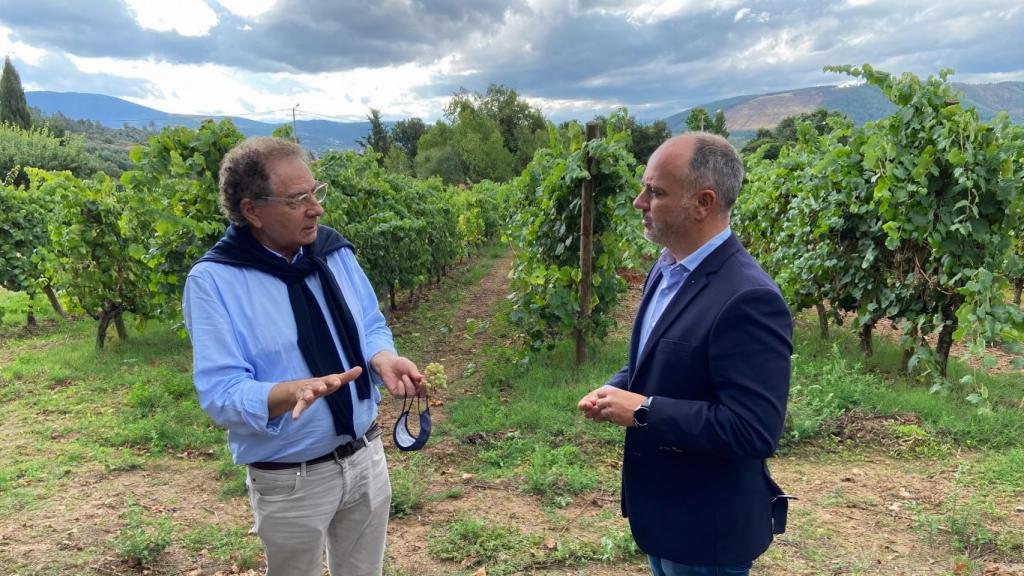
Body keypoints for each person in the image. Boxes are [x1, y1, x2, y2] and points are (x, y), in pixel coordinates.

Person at [183, 136, 422, 576]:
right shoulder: (215, 281)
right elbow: (220, 393)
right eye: (298, 200)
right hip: (291, 478)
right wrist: (286, 391)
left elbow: (369, 322)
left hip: (366, 455)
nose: (316, 209)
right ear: (252, 210)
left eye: (316, 192)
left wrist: (383, 357)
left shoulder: (332, 251)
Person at [578, 133, 793, 576]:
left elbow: (753, 430)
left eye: (655, 192)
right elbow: (658, 357)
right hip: (664, 514)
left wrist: (643, 410)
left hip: (707, 529)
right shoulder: (667, 265)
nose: (639, 201)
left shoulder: (748, 298)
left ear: (703, 202)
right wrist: (618, 387)